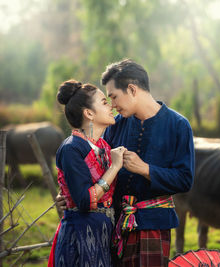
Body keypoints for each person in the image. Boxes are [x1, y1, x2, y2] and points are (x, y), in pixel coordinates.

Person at [56, 59, 195, 267]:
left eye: (113, 97)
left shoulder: (178, 126)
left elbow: (185, 180)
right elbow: (96, 169)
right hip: (114, 225)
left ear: (131, 89)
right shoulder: (115, 125)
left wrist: (145, 169)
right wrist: (72, 193)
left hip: (153, 226)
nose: (112, 105)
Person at [48, 80, 126, 267]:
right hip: (81, 234)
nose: (110, 106)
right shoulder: (71, 149)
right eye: (104, 102)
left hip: (105, 232)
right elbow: (84, 201)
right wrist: (114, 168)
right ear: (89, 113)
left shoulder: (105, 147)